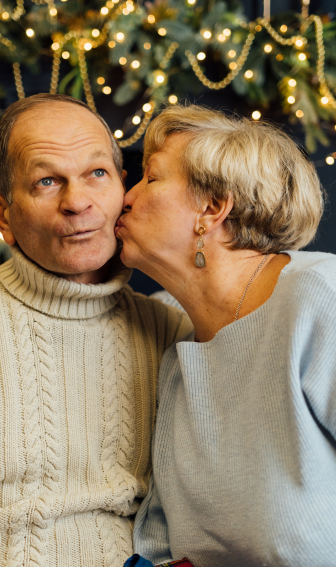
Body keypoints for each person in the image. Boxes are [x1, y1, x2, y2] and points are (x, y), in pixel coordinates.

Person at [0, 94, 192, 567]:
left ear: (123, 189)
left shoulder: (170, 332)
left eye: (96, 174)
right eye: (46, 181)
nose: (77, 202)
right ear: (5, 215)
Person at [116, 104, 336, 566]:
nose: (125, 197)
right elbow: (160, 546)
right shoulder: (171, 334)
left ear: (211, 209)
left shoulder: (321, 299)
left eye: (150, 178)